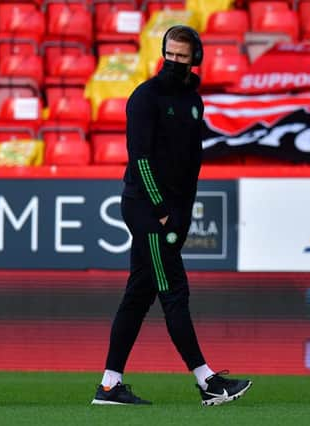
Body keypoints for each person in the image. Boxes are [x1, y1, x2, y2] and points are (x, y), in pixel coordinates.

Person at [91, 25, 252, 407]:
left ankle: (110, 386)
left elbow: (192, 164)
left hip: (171, 214)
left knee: (137, 296)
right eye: (170, 54)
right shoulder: (145, 97)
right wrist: (163, 211)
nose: (175, 62)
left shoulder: (193, 101)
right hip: (147, 210)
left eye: (182, 56)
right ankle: (208, 381)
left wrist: (184, 215)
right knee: (173, 292)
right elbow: (141, 160)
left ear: (195, 58)